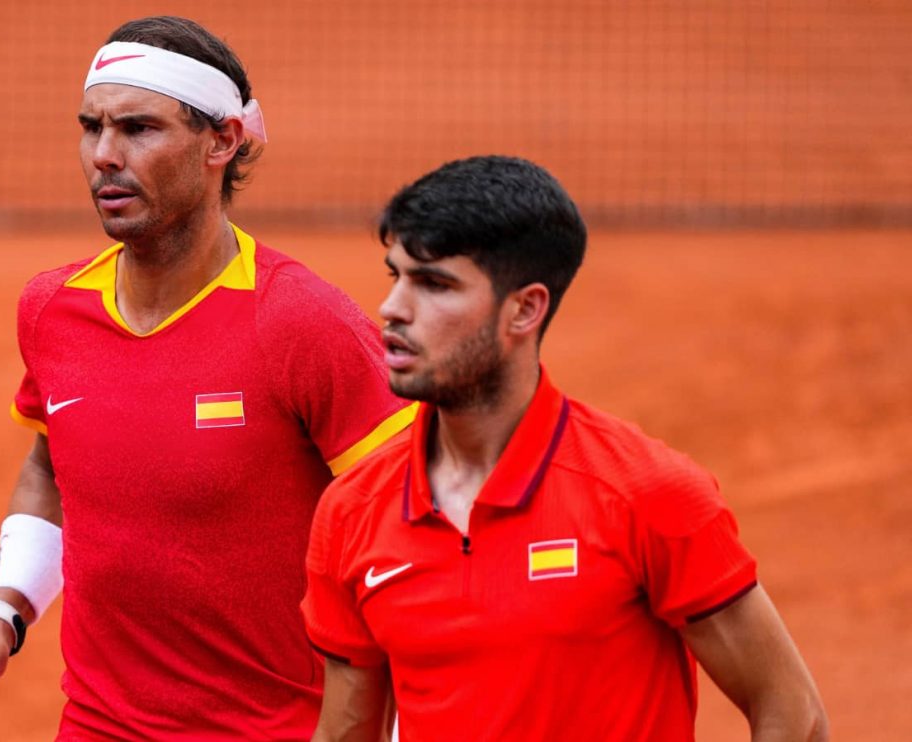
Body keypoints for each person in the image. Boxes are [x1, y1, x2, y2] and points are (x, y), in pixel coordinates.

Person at [0, 16, 415, 740]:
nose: (104, 155)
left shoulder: (301, 323)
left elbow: (406, 523)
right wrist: (2, 617)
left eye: (138, 128)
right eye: (92, 127)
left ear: (221, 142)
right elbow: (53, 465)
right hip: (100, 726)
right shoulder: (53, 310)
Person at [301, 156, 829, 741]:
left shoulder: (645, 494)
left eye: (434, 284)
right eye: (394, 275)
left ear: (524, 309)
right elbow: (345, 732)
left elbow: (791, 709)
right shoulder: (351, 510)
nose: (393, 308)